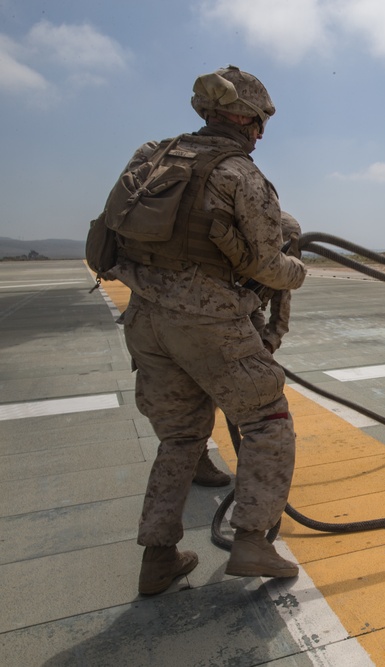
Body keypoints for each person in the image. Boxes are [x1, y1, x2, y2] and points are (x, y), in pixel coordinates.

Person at [101, 65, 308, 595]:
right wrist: (298, 271)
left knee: (181, 437)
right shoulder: (240, 173)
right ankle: (252, 541)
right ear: (243, 117)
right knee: (267, 418)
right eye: (259, 122)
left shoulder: (152, 155)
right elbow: (267, 265)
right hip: (206, 319)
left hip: (144, 318)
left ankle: (159, 556)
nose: (260, 134)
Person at [193, 210, 303, 488]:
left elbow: (281, 311)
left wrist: (267, 343)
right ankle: (196, 458)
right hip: (205, 318)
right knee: (200, 394)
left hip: (246, 315)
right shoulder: (226, 255)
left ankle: (260, 455)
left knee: (260, 391)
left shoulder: (277, 266)